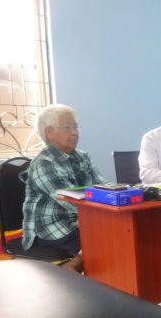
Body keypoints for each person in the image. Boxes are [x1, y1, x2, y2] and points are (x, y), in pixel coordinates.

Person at [22, 104, 108, 273]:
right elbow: (72, 202)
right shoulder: (44, 163)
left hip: (80, 221)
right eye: (67, 127)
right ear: (49, 133)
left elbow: (103, 186)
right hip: (51, 228)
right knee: (106, 240)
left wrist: (119, 195)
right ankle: (81, 274)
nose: (74, 132)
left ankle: (76, 264)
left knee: (116, 234)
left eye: (75, 126)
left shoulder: (82, 157)